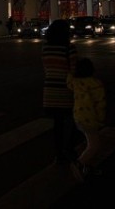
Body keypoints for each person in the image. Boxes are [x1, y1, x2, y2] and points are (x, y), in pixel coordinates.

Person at [42, 19, 79, 165]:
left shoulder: (45, 48)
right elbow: (74, 69)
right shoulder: (69, 48)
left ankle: (59, 154)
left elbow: (45, 68)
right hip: (66, 89)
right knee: (74, 121)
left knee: (57, 124)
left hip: (50, 89)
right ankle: (69, 148)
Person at [67, 57, 107, 182]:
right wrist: (100, 120)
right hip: (90, 119)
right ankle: (79, 163)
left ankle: (86, 167)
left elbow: (68, 82)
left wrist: (70, 72)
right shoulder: (96, 84)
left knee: (88, 142)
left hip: (78, 117)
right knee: (94, 145)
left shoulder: (76, 82)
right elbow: (100, 104)